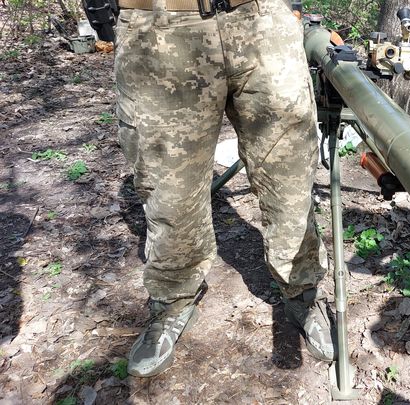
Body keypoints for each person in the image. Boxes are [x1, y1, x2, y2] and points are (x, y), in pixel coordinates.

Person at [111, 0, 334, 377]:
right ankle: (173, 301)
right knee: (170, 191)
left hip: (261, 21)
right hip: (160, 27)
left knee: (290, 179)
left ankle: (302, 289)